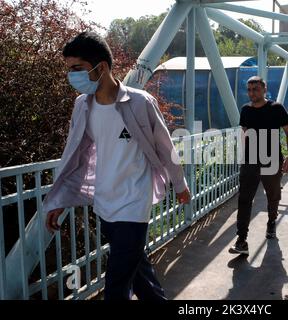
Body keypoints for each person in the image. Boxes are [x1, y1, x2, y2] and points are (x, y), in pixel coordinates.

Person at [42, 32, 191, 300]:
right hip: (104, 202)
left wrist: (180, 184)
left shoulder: (140, 102)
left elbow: (165, 148)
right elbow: (74, 157)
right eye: (69, 70)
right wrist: (59, 199)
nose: (71, 76)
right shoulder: (82, 106)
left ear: (102, 67)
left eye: (77, 68)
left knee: (116, 284)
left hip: (134, 201)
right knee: (139, 274)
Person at [229, 76, 288, 255]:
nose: (252, 93)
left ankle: (271, 222)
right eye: (249, 90)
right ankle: (242, 240)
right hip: (250, 162)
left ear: (264, 89)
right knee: (244, 199)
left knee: (273, 196)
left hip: (272, 160)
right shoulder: (245, 110)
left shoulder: (276, 108)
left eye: (255, 89)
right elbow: (244, 133)